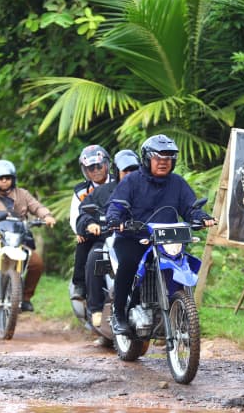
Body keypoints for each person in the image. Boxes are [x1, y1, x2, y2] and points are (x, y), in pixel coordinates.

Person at [104, 134, 215, 338]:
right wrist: (114, 219)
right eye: (158, 158)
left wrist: (201, 217)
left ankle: (178, 313)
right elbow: (116, 205)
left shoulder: (177, 183)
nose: (163, 162)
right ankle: (118, 314)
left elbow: (190, 207)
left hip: (167, 241)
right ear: (147, 159)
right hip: (133, 238)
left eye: (168, 158)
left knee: (184, 263)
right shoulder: (131, 181)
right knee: (129, 263)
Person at [0, 159, 57, 312]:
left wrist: (46, 216)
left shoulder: (23, 194)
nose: (4, 181)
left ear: (13, 179)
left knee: (36, 264)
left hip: (18, 238)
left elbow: (36, 207)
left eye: (7, 178)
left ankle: (25, 298)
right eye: (0, 178)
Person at [75, 149, 138, 328]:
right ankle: (95, 308)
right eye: (126, 171)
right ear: (117, 172)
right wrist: (89, 224)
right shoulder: (101, 192)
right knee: (96, 257)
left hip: (140, 241)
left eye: (134, 170)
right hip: (109, 241)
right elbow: (83, 212)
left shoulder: (151, 190)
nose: (130, 174)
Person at [69, 144, 111, 301]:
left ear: (106, 165)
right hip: (94, 231)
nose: (95, 171)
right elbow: (75, 215)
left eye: (99, 166)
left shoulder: (119, 182)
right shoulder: (81, 191)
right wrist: (80, 230)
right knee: (83, 243)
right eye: (90, 168)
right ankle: (80, 285)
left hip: (118, 228)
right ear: (85, 170)